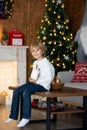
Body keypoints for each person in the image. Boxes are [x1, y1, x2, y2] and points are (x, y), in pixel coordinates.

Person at [5, 41, 55, 127]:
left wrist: (37, 82)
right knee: (17, 91)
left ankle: (26, 117)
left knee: (26, 91)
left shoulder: (46, 63)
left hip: (43, 85)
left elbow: (49, 78)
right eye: (33, 51)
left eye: (37, 50)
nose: (35, 53)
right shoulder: (36, 62)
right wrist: (31, 79)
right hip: (35, 83)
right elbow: (35, 74)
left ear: (42, 51)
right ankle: (13, 115)